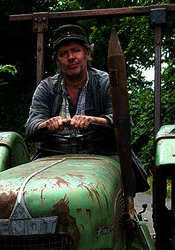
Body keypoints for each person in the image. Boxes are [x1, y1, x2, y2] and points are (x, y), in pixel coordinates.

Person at [24, 24, 148, 191]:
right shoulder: (47, 88)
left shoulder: (105, 82)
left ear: (87, 54)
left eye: (76, 51)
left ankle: (126, 212)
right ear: (58, 60)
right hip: (54, 156)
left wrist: (93, 120)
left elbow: (123, 122)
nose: (70, 57)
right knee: (25, 188)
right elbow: (31, 127)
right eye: (63, 54)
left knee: (116, 182)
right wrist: (48, 124)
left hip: (101, 154)